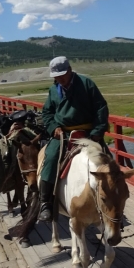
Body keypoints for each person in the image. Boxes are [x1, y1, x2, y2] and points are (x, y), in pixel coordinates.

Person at [38, 57, 109, 221]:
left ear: (70, 70)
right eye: (56, 76)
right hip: (63, 134)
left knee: (108, 163)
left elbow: (101, 108)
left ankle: (114, 203)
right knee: (51, 158)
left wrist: (98, 131)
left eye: (62, 75)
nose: (60, 79)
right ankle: (45, 202)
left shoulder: (86, 84)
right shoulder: (53, 90)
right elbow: (47, 113)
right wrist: (53, 127)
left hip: (88, 133)